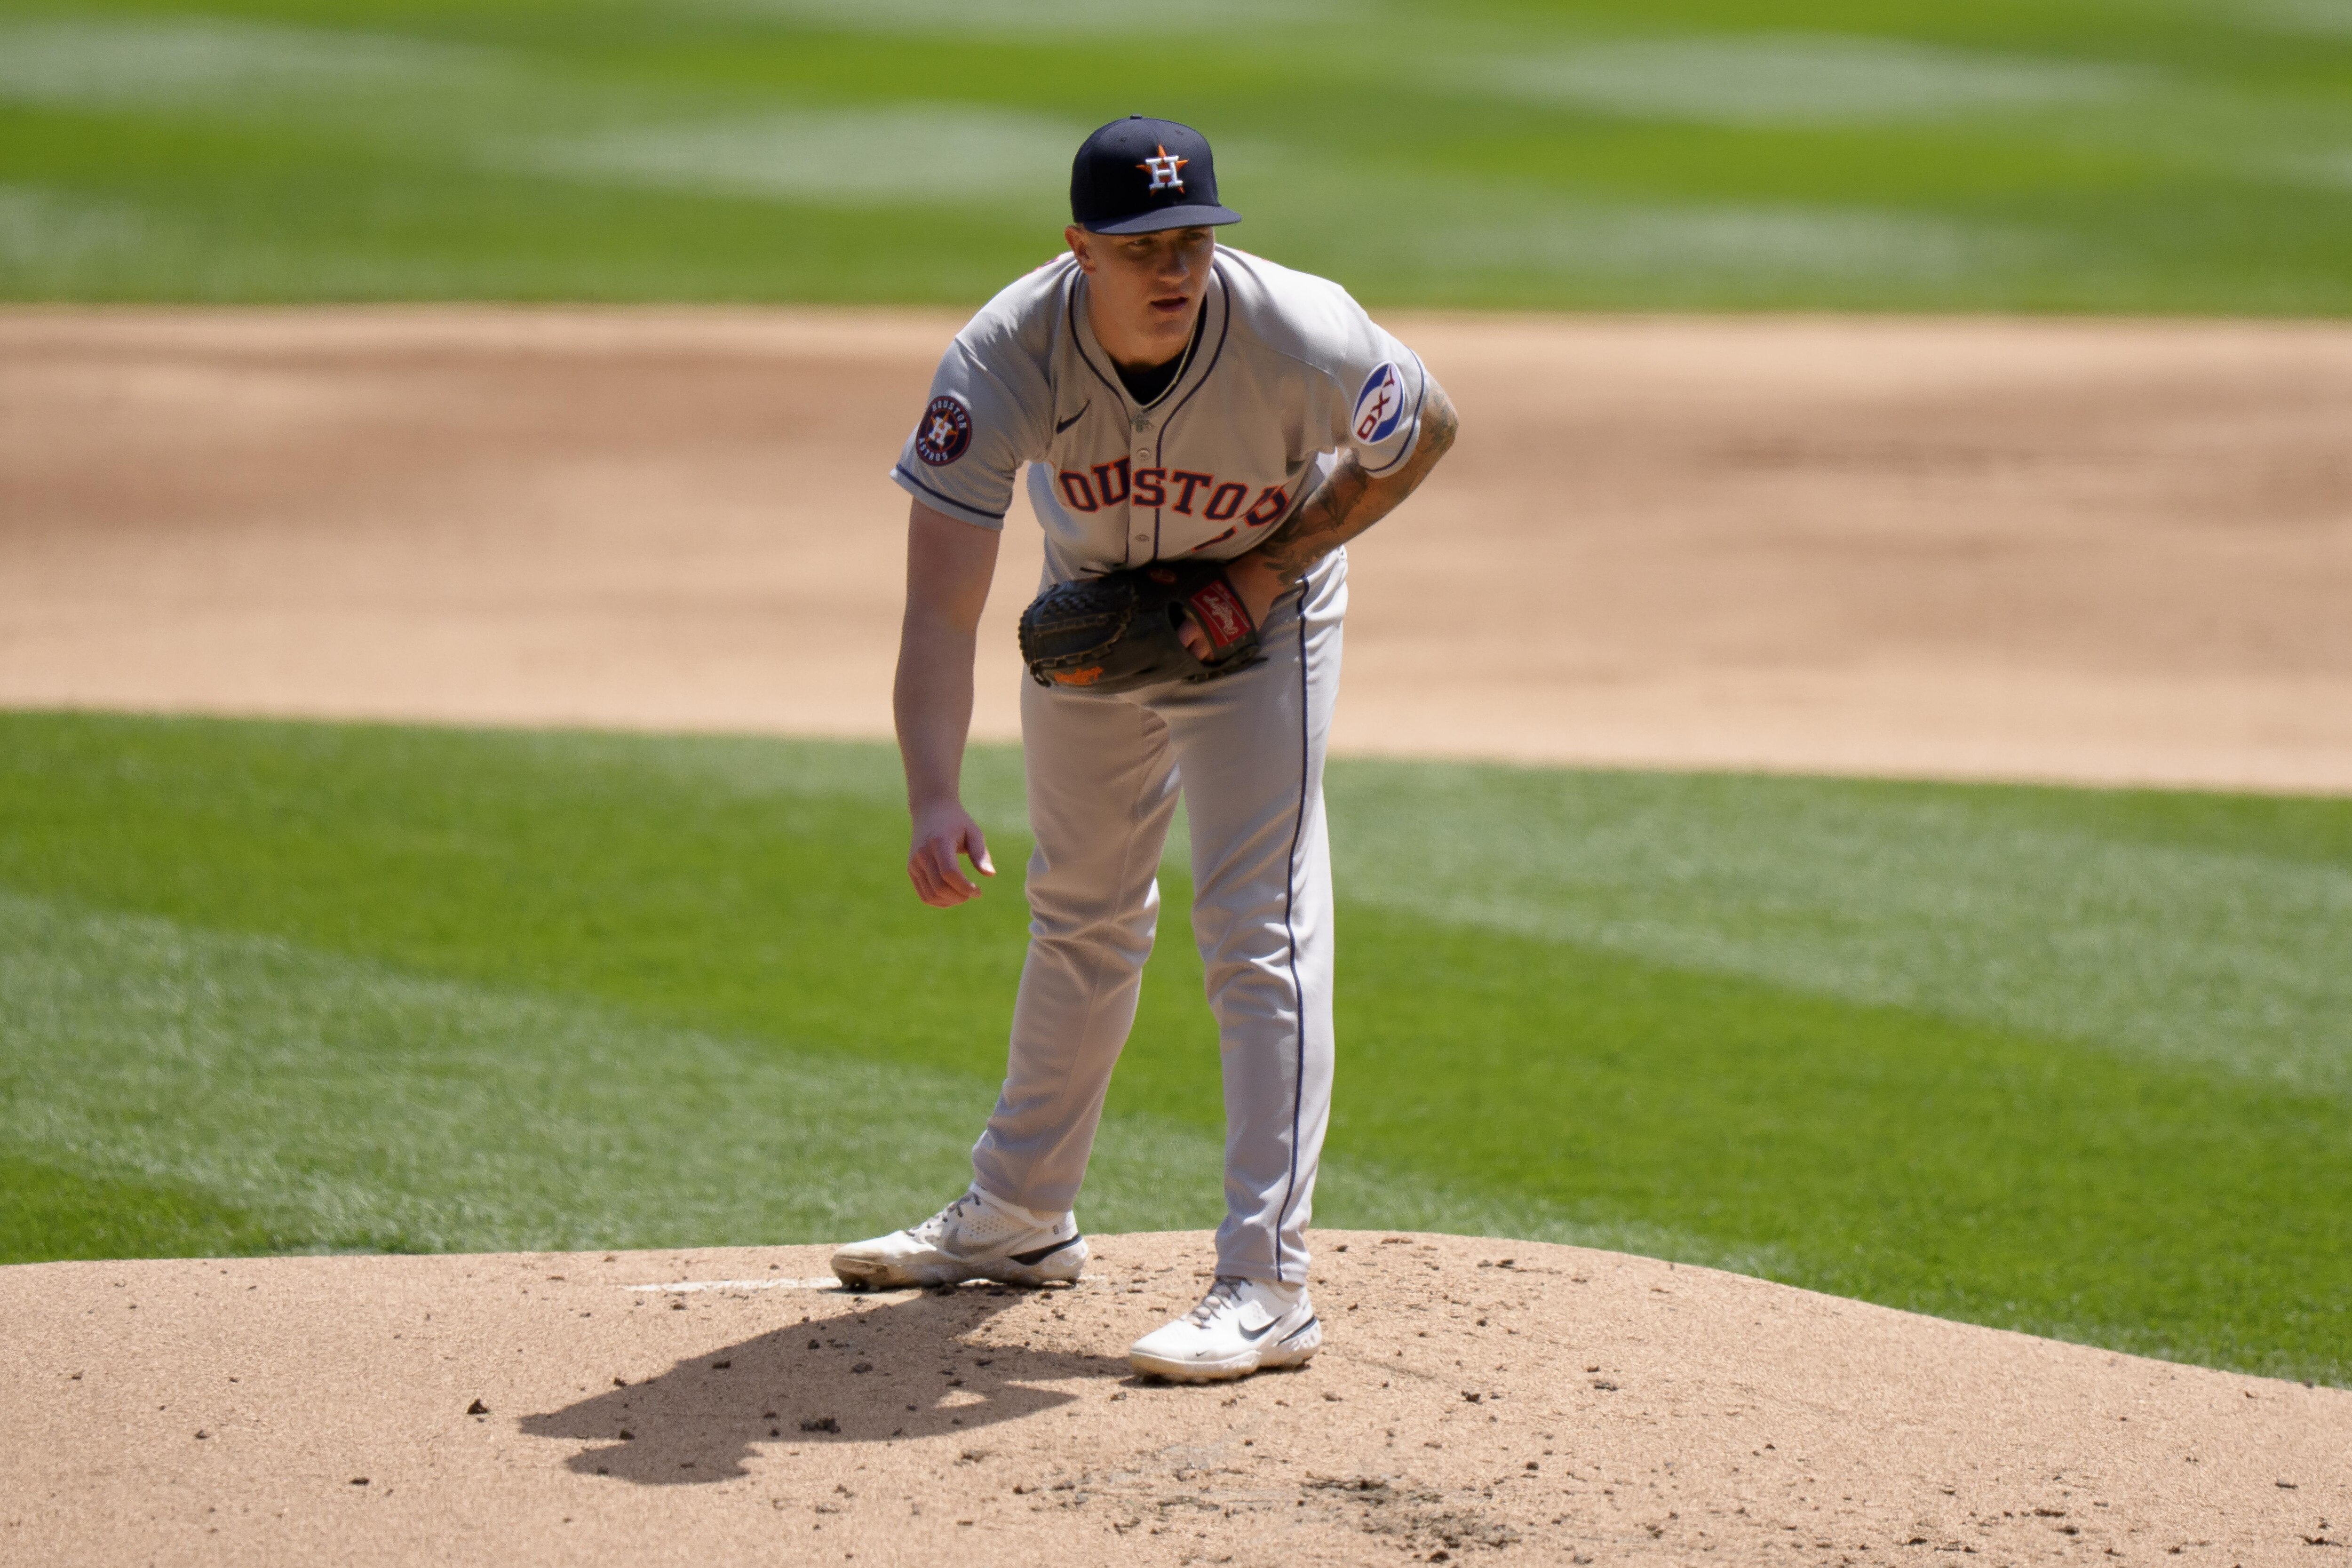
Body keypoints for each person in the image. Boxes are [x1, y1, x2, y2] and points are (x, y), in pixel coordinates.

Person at [832, 115, 1458, 1383]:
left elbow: (1426, 424)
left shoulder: (1299, 328)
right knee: (1080, 913)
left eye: (1192, 241)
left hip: (1264, 624)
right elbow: (941, 604)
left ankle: (1268, 1284)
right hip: (1101, 631)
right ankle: (1018, 1217)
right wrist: (935, 795)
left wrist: (1268, 566)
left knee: (1258, 924)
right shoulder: (1004, 354)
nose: (1175, 270)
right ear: (1079, 252)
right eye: (1141, 249)